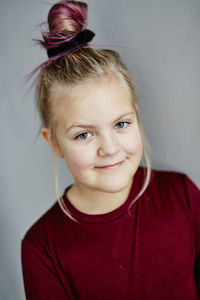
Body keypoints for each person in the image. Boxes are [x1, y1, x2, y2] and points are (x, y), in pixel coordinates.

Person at [21, 1, 200, 299]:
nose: (109, 148)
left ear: (137, 118)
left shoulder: (181, 194)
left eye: (120, 124)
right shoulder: (42, 248)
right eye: (84, 134)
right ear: (53, 142)